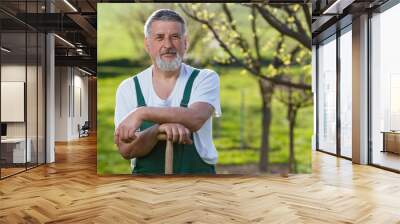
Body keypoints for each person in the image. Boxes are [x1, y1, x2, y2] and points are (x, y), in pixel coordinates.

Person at [114, 9, 221, 174]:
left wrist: (141, 113)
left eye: (175, 37)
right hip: (147, 190)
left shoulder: (204, 78)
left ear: (185, 43)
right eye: (159, 37)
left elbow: (195, 118)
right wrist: (158, 130)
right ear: (147, 44)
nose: (168, 45)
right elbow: (126, 150)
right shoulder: (129, 88)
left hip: (199, 186)